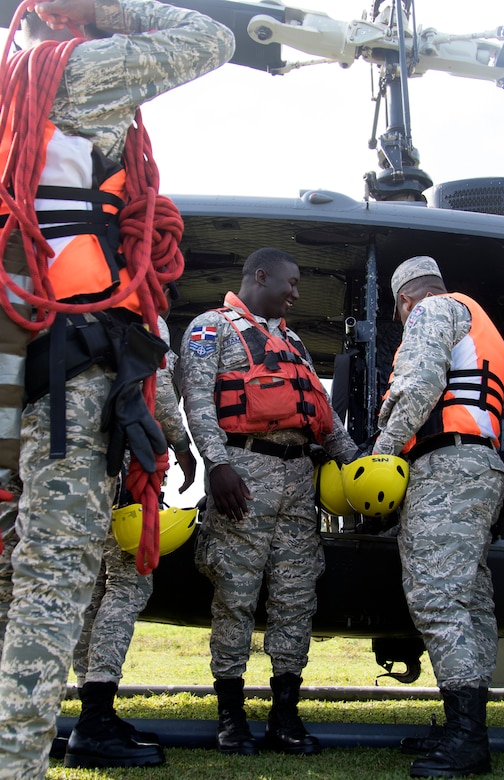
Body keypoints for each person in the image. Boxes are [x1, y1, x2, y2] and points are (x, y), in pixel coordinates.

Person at [0, 3, 234, 779]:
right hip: (62, 376)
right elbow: (212, 39)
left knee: (11, 580)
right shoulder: (70, 75)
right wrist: (112, 10)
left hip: (16, 362)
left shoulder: (12, 94)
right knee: (53, 583)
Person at [181, 247, 358, 756]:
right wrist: (216, 465)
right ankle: (231, 717)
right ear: (261, 276)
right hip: (244, 476)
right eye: (292, 283)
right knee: (234, 597)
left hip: (299, 482)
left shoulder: (294, 342)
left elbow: (325, 418)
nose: (297, 294)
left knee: (296, 598)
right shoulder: (209, 328)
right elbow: (196, 400)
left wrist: (359, 463)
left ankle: (285, 716)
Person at [373, 255, 504, 778]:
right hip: (479, 466)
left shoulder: (431, 313)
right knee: (470, 600)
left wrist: (381, 457)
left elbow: (416, 386)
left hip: (447, 468)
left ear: (405, 300)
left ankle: (467, 739)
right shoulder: (474, 318)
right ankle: (466, 731)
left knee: (435, 596)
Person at [64, 315, 197, 769]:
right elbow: (155, 387)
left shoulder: (76, 305)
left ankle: (91, 714)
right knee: (127, 583)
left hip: (73, 464)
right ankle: (96, 719)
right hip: (121, 464)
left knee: (95, 589)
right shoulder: (140, 311)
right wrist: (181, 443)